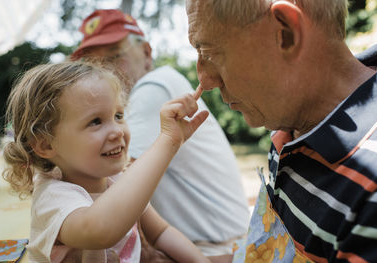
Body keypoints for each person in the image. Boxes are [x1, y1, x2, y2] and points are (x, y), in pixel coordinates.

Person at [186, 0, 377, 262]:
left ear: (285, 33)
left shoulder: (371, 195)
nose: (205, 80)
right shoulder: (290, 128)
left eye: (208, 51)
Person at [71, 9, 251, 256]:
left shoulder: (152, 86)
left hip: (214, 251)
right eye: (93, 64)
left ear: (146, 53)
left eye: (112, 58)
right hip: (210, 244)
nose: (104, 73)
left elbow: (115, 182)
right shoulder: (156, 86)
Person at [2, 61, 210, 263]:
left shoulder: (118, 179)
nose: (117, 131)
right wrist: (168, 141)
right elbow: (99, 230)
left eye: (118, 115)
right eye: (95, 121)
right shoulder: (53, 197)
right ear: (46, 145)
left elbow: (161, 233)